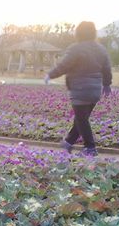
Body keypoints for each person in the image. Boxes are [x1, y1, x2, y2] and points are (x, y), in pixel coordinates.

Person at [44, 21, 112, 156]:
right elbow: (107, 69)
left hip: (80, 89)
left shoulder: (76, 48)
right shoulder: (101, 49)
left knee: (81, 119)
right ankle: (69, 142)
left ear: (78, 33)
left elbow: (64, 65)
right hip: (95, 90)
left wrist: (50, 75)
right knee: (82, 117)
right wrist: (107, 84)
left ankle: (90, 148)